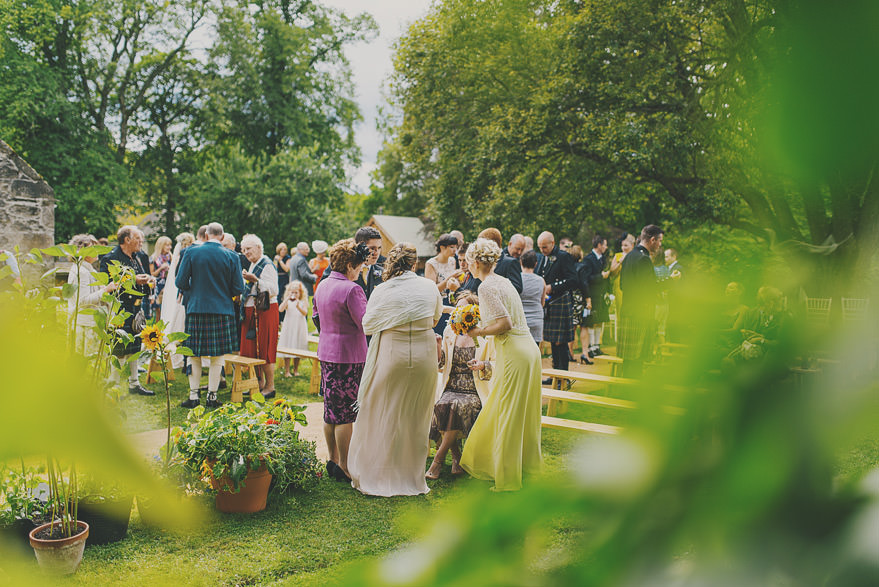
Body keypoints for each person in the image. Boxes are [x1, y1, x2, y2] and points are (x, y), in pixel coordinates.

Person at [348, 242, 443, 496]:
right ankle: (411, 477)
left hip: (393, 353)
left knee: (385, 413)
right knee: (417, 416)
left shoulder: (383, 290)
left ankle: (382, 475)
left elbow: (368, 324)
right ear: (414, 263)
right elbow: (435, 319)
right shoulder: (429, 287)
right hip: (424, 355)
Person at [460, 239, 543, 492]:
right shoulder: (504, 281)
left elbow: (504, 323)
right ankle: (527, 466)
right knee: (523, 412)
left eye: (467, 262)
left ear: (475, 262)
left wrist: (479, 331)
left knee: (507, 410)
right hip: (529, 348)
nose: (467, 266)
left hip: (513, 351)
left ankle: (507, 479)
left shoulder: (486, 287)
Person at [313, 238, 369, 483]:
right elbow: (365, 323)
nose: (359, 272)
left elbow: (316, 317)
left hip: (327, 352)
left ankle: (332, 459)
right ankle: (346, 466)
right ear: (349, 265)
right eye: (358, 267)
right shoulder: (352, 289)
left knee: (330, 411)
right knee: (345, 414)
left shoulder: (322, 285)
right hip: (349, 356)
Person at [175, 222, 245, 408]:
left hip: (196, 308)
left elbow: (180, 281)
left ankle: (193, 396)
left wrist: (196, 290)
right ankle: (212, 397)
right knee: (217, 356)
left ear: (206, 235)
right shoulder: (231, 256)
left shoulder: (190, 252)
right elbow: (239, 287)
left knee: (194, 355)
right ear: (222, 237)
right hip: (222, 310)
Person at [427, 291, 492, 480]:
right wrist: (439, 348)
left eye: (464, 307)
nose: (460, 311)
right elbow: (442, 366)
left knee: (454, 406)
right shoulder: (450, 332)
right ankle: (456, 456)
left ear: (475, 311)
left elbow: (496, 363)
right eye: (458, 307)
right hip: (452, 386)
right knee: (442, 404)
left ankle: (438, 460)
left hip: (474, 389)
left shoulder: (485, 335)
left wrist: (482, 365)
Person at [100, 225, 155, 396]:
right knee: (120, 349)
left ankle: (134, 384)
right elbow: (109, 285)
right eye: (138, 238)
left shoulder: (140, 257)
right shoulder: (110, 258)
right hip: (120, 308)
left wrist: (147, 281)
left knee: (135, 347)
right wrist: (134, 281)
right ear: (127, 240)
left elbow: (145, 276)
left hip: (137, 308)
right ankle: (112, 385)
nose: (141, 242)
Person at [618, 224, 664, 378]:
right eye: (659, 241)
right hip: (640, 315)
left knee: (628, 360)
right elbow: (649, 290)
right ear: (652, 240)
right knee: (637, 360)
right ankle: (631, 397)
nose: (660, 245)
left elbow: (622, 285)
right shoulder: (644, 259)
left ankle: (623, 393)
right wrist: (670, 281)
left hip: (628, 312)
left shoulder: (629, 256)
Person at [239, 234, 281, 399]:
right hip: (253, 311)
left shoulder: (266, 264)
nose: (246, 253)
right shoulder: (253, 264)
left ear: (258, 247)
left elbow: (274, 290)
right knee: (253, 348)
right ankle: (258, 383)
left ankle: (270, 386)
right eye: (243, 250)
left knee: (266, 347)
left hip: (266, 311)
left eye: (248, 249)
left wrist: (255, 280)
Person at [535, 231, 578, 381]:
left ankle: (563, 377)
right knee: (554, 342)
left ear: (553, 243)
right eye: (540, 247)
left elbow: (573, 280)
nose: (542, 250)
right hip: (549, 304)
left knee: (561, 342)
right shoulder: (541, 258)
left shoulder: (564, 257)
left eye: (545, 247)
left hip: (561, 301)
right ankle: (555, 376)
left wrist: (552, 287)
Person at [67, 234, 117, 353]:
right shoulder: (82, 272)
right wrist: (106, 290)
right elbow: (82, 301)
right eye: (92, 247)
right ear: (82, 252)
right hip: (86, 325)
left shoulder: (89, 269)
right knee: (86, 363)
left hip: (89, 322)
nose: (96, 250)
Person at [160, 232, 195, 369]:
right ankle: (186, 358)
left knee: (182, 325)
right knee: (184, 325)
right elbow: (179, 277)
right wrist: (182, 291)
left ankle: (187, 358)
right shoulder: (186, 254)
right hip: (185, 295)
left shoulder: (181, 254)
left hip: (183, 295)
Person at [580, 235, 611, 360]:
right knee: (592, 322)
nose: (606, 247)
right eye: (604, 244)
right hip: (592, 295)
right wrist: (600, 276)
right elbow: (586, 279)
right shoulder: (588, 259)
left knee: (600, 321)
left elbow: (607, 277)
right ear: (599, 245)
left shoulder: (603, 258)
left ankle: (597, 346)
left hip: (602, 294)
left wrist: (609, 292)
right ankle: (591, 347)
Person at [425, 233, 463, 335]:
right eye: (451, 247)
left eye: (456, 247)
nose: (455, 250)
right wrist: (449, 279)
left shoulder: (452, 261)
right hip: (439, 303)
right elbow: (431, 290)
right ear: (442, 247)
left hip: (452, 300)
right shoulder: (431, 264)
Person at [278, 280, 309, 377]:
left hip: (299, 326)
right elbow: (280, 309)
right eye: (292, 292)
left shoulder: (302, 302)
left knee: (298, 346)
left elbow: (305, 313)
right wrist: (286, 299)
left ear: (300, 293)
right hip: (289, 326)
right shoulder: (287, 302)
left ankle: (296, 370)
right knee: (288, 345)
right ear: (289, 292)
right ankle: (287, 370)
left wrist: (298, 307)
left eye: (296, 292)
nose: (294, 294)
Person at [478, 228, 523, 294]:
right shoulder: (482, 262)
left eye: (482, 245)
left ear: (493, 243)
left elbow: (517, 288)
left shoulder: (510, 262)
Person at [520, 250, 546, 344]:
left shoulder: (517, 279)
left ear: (521, 262)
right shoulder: (541, 280)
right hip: (536, 318)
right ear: (535, 264)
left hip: (521, 319)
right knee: (535, 349)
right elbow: (542, 302)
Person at [664, 247, 685, 343]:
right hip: (670, 301)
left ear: (674, 257)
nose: (665, 259)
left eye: (667, 257)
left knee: (674, 325)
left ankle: (674, 346)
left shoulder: (678, 268)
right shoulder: (668, 268)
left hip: (676, 301)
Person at [150, 236, 173, 321]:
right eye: (167, 245)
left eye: (170, 245)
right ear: (161, 246)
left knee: (168, 307)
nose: (169, 247)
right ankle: (158, 328)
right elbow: (152, 274)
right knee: (158, 308)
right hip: (158, 285)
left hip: (168, 284)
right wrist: (161, 268)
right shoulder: (153, 258)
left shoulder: (171, 257)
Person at [274, 243, 292, 310]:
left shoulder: (288, 258)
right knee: (277, 296)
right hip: (277, 278)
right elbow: (275, 268)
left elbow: (286, 269)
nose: (283, 251)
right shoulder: (276, 257)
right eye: (282, 249)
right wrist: (276, 260)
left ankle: (283, 312)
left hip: (284, 278)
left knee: (283, 295)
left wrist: (280, 261)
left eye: (285, 249)